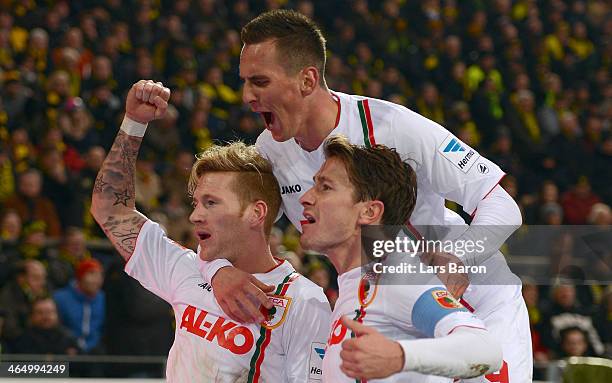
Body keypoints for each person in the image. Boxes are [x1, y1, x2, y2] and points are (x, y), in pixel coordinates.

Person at [204, 9, 532, 382]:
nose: (246, 96)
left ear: (308, 80)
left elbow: (500, 202)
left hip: (477, 301)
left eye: (260, 81)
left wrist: (459, 257)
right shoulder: (270, 153)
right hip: (382, 309)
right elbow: (223, 223)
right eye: (244, 81)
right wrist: (219, 270)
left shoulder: (394, 126)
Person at [90, 80, 331, 381]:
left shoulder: (304, 301)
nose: (195, 216)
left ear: (255, 213)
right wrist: (134, 123)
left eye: (211, 203)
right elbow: (109, 208)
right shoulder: (187, 269)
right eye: (196, 203)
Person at [301, 136, 502, 381]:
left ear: (369, 211)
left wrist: (399, 356)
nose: (306, 197)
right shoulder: (356, 283)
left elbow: (485, 349)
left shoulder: (396, 276)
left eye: (325, 187)